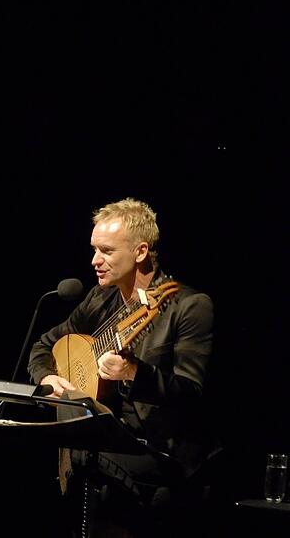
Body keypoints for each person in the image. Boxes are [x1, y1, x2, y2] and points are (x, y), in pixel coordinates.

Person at [27, 198, 218, 537]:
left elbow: (193, 393)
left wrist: (134, 373)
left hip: (162, 452)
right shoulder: (100, 299)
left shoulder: (188, 306)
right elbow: (45, 344)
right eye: (94, 249)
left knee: (83, 458)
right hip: (109, 441)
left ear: (141, 252)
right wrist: (48, 376)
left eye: (106, 251)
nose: (94, 261)